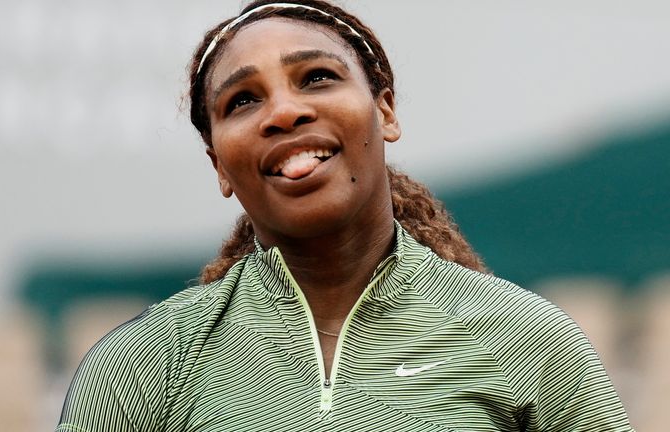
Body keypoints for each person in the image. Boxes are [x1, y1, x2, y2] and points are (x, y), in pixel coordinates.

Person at [56, 1, 634, 430]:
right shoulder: (139, 369)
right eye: (243, 101)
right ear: (220, 168)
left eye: (317, 77)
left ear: (384, 111)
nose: (284, 112)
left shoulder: (529, 341)